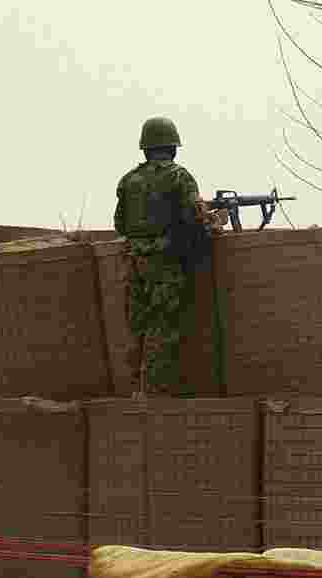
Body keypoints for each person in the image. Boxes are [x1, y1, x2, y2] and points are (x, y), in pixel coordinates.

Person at [113, 116, 221, 397]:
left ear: (145, 148)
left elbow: (120, 225)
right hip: (164, 264)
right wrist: (214, 221)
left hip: (133, 262)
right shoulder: (178, 176)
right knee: (165, 327)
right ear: (173, 147)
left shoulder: (128, 180)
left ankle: (134, 390)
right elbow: (197, 216)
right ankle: (159, 394)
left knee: (138, 327)